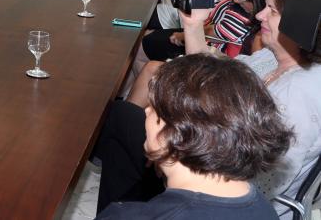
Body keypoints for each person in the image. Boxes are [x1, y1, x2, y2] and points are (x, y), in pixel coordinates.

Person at [96, 0, 321, 218]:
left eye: (272, 11)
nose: (259, 16)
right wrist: (193, 24)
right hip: (211, 157)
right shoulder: (271, 58)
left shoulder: (300, 93)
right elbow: (207, 81)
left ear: (301, 21)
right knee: (125, 120)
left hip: (216, 190)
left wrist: (180, 157)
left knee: (123, 119)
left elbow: (263, 182)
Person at [96, 54, 292, 219]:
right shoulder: (263, 210)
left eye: (153, 109)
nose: (146, 112)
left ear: (177, 132)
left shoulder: (127, 216)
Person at [126, 0, 282, 108]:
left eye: (272, 10)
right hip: (213, 60)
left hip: (216, 79)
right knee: (148, 52)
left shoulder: (260, 37)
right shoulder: (253, 23)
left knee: (149, 64)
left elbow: (229, 79)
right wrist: (194, 23)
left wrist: (192, 30)